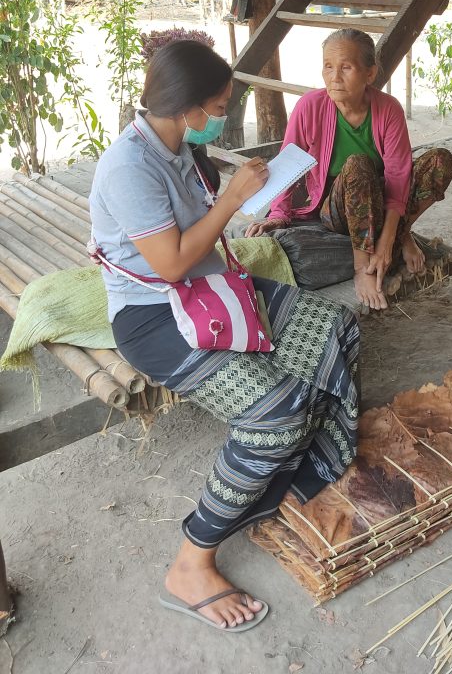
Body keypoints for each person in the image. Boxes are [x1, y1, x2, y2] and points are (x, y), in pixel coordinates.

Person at [89, 41, 359, 631]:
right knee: (278, 414)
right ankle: (191, 562)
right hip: (158, 317)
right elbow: (171, 265)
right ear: (184, 108)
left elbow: (202, 236)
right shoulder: (128, 167)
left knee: (336, 326)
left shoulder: (179, 146)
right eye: (216, 107)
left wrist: (244, 195)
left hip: (215, 294)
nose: (221, 118)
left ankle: (291, 478)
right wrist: (233, 199)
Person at [246, 29, 452, 311]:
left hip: (380, 202)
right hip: (337, 209)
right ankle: (362, 268)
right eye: (328, 67)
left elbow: (398, 178)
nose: (334, 76)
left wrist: (391, 239)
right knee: (357, 164)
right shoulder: (310, 107)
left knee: (440, 160)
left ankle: (401, 235)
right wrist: (279, 215)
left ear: (369, 74)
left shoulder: (388, 109)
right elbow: (289, 164)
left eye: (346, 67)